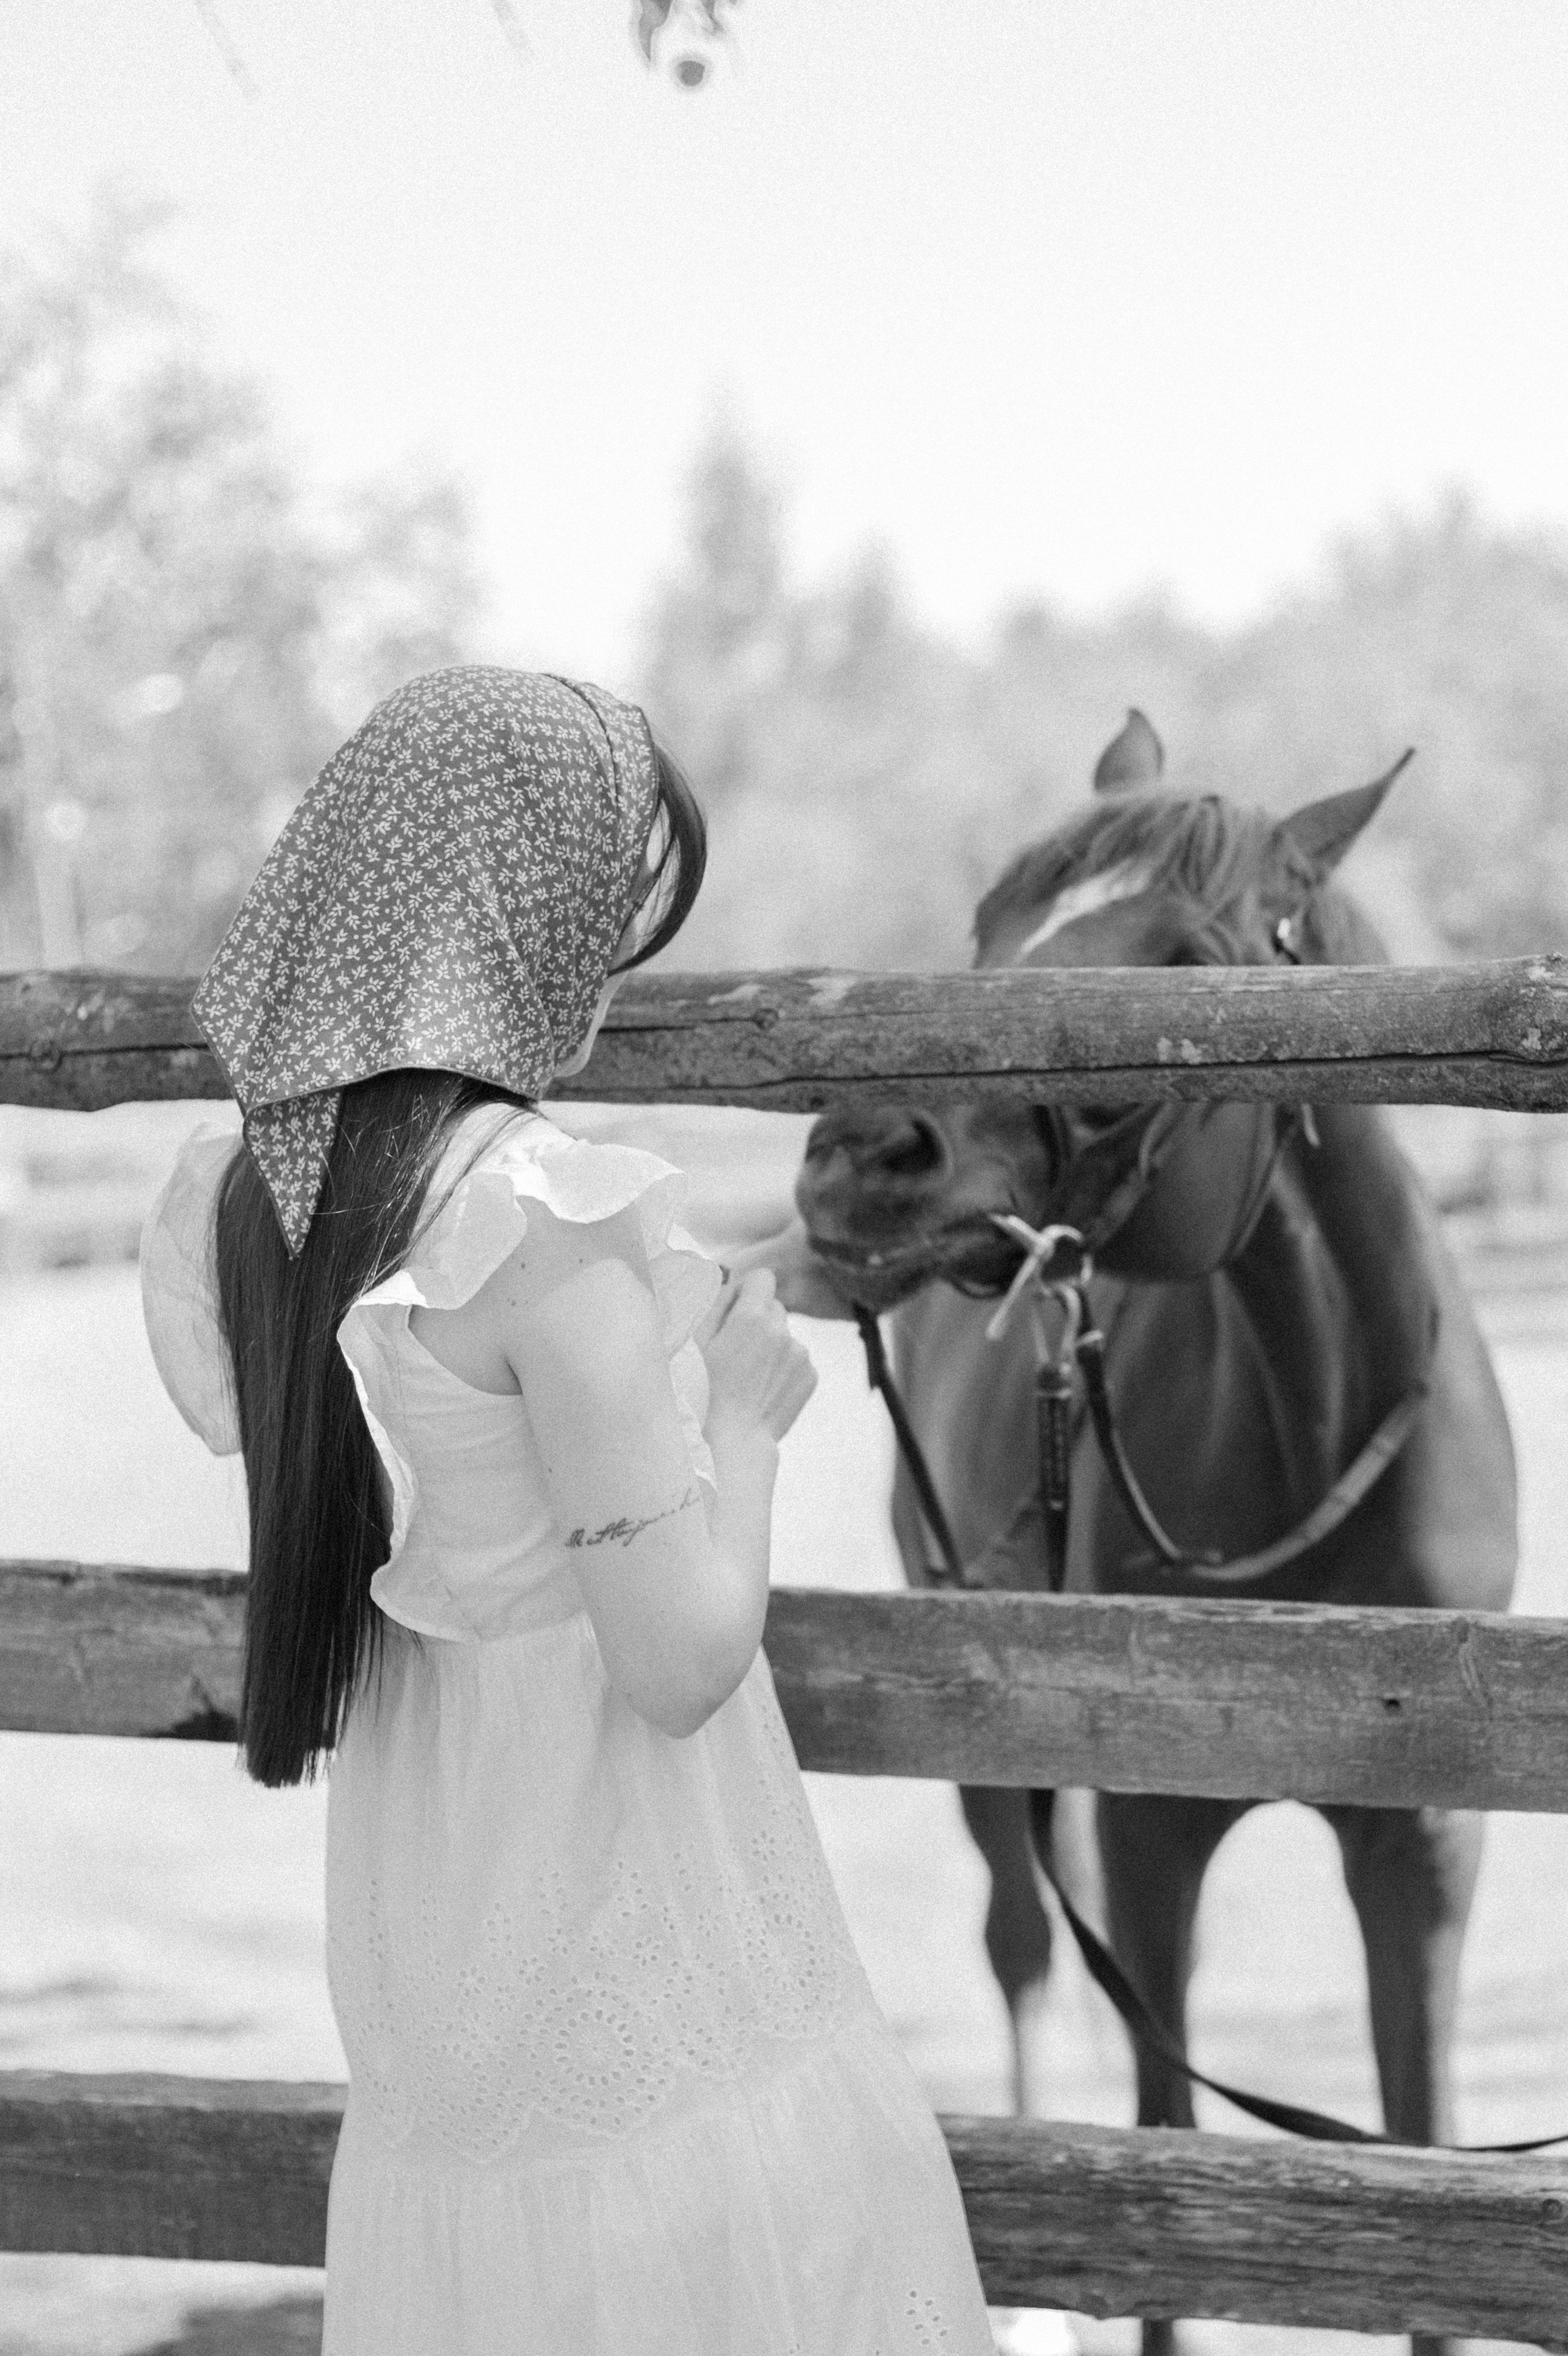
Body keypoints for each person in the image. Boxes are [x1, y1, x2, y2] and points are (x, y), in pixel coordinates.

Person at [139, 666, 995, 2356]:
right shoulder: (546, 1226)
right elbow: (676, 1658)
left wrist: (721, 1297)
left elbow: (466, 1431)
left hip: (444, 1883)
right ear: (510, 916)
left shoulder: (247, 1194)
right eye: (607, 911)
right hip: (623, 1880)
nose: (609, 966)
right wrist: (738, 1430)